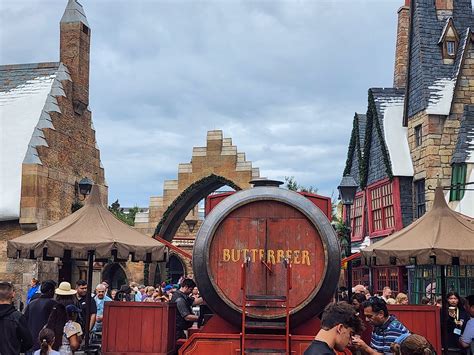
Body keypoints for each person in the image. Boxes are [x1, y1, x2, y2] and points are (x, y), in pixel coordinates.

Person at [0, 281, 33, 354]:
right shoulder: (17, 317)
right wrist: (17, 348)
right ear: (13, 294)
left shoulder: (17, 317)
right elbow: (28, 342)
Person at [24, 280, 57, 353]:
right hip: (46, 343)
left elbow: (24, 321)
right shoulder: (53, 304)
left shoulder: (32, 303)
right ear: (50, 291)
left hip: (31, 342)